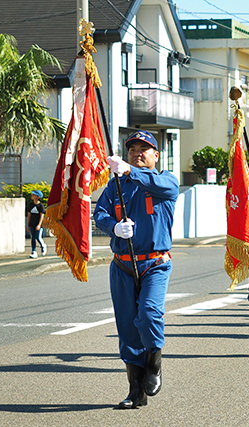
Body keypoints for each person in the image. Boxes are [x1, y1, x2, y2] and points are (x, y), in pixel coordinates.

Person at [93, 130, 179, 409]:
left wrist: (130, 170)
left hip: (154, 263)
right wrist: (114, 227)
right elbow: (101, 213)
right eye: (132, 150)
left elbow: (165, 188)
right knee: (128, 328)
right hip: (122, 265)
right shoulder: (116, 185)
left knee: (149, 314)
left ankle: (154, 362)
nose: (138, 153)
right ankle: (135, 391)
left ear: (156, 155)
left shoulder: (164, 180)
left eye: (144, 149)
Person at [26, 189, 47, 258]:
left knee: (38, 237)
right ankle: (34, 251)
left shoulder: (40, 206)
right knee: (33, 238)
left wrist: (39, 225)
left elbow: (42, 215)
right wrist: (28, 225)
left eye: (34, 195)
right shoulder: (31, 205)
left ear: (38, 197)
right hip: (32, 224)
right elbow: (29, 215)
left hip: (38, 225)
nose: (32, 196)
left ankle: (43, 246)